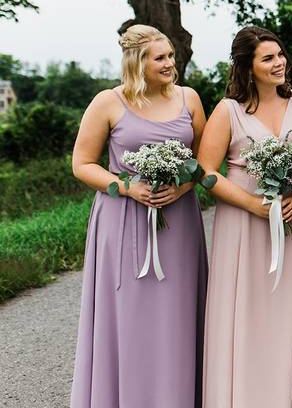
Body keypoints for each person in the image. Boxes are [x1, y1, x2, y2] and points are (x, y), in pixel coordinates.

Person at [70, 25, 207, 408]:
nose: (170, 64)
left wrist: (180, 187)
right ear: (137, 63)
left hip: (178, 222)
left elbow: (204, 162)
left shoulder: (189, 99)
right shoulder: (108, 102)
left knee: (176, 316)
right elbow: (82, 164)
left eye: (171, 56)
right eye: (160, 58)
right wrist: (126, 187)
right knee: (129, 316)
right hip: (122, 221)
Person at [199, 26, 292, 407]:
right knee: (244, 310)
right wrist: (252, 205)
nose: (279, 62)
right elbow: (205, 171)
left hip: (290, 220)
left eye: (280, 54)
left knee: (288, 309)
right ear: (247, 67)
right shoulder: (227, 110)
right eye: (268, 58)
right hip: (243, 224)